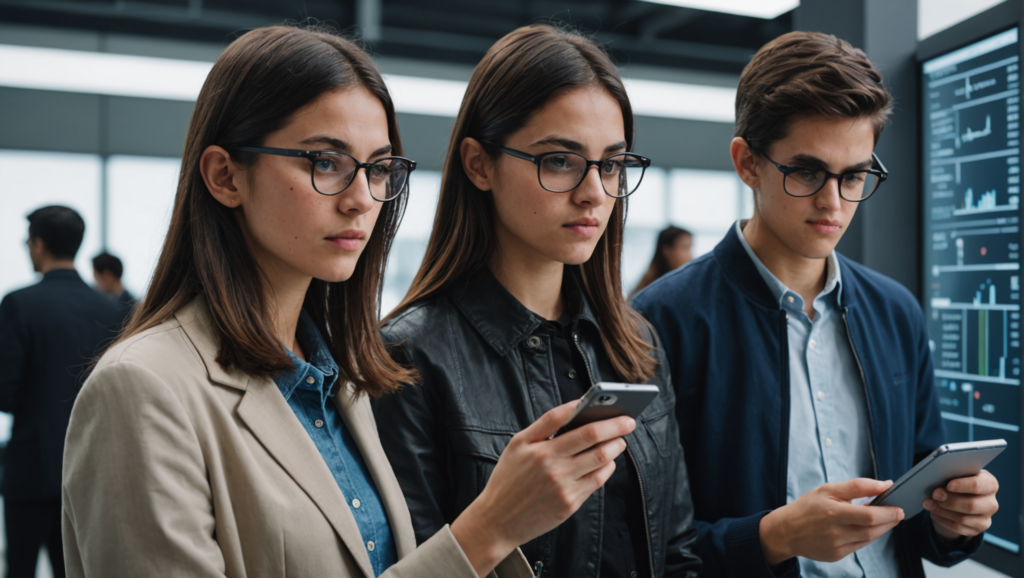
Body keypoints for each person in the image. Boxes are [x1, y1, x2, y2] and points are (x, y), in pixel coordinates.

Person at [61, 24, 636, 578]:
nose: (363, 199)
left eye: (379, 169)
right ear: (225, 176)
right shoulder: (142, 389)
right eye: (326, 162)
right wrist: (487, 528)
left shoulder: (346, 383)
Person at [631, 31, 999, 578]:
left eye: (853, 176)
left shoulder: (896, 312)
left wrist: (955, 520)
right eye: (807, 172)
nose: (833, 203)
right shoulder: (660, 322)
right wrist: (770, 538)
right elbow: (638, 547)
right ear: (748, 162)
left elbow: (920, 520)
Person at [372, 25, 701, 578]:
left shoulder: (635, 344)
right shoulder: (407, 355)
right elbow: (415, 564)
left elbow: (676, 554)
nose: (594, 191)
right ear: (479, 164)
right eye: (559, 161)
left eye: (612, 164)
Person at [0, 206, 124, 578]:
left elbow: (5, 393)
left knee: (20, 566)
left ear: (37, 245)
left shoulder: (19, 304)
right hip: (90, 470)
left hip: (30, 467)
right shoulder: (112, 310)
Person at [630, 225, 693, 297]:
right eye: (684, 248)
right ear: (666, 250)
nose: (691, 256)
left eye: (690, 248)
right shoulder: (650, 289)